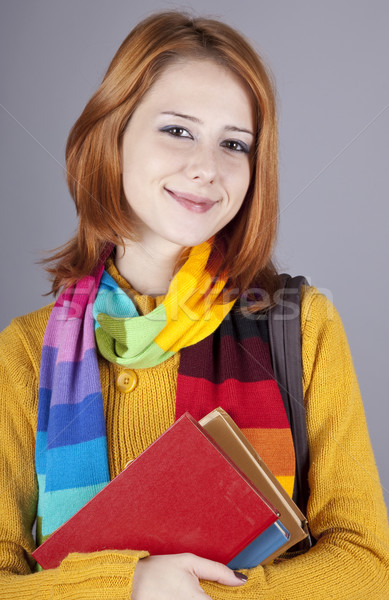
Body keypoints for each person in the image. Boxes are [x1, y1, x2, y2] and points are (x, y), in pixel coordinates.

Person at [0, 10, 388, 600]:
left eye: (235, 144)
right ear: (113, 133)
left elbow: (367, 564)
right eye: (178, 130)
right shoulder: (25, 353)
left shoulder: (301, 324)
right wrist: (127, 586)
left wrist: (204, 595)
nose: (207, 168)